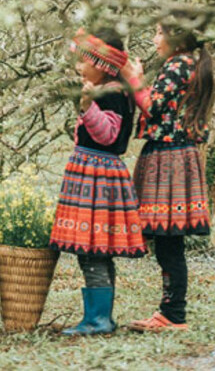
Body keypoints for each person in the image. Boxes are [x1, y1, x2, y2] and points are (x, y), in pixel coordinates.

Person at [49, 29, 146, 335]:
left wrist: (87, 106)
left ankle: (98, 319)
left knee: (92, 249)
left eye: (84, 61)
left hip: (97, 176)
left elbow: (109, 136)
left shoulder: (112, 94)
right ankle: (100, 316)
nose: (79, 67)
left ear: (101, 65)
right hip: (94, 173)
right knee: (95, 249)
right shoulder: (110, 90)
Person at [121, 23, 215, 332]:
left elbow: (151, 105)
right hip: (175, 155)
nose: (154, 38)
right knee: (167, 242)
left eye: (159, 32)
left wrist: (133, 78)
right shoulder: (187, 63)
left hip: (169, 158)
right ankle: (170, 312)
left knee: (169, 241)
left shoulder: (178, 64)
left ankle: (174, 315)